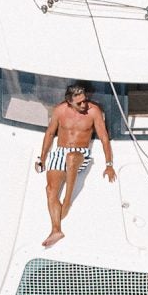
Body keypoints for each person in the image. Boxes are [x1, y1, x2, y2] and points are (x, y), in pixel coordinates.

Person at [36, 84, 116, 247]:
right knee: (50, 190)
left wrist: (109, 164)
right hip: (60, 151)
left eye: (84, 100)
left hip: (80, 153)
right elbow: (50, 133)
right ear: (69, 102)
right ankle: (56, 229)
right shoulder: (60, 111)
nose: (84, 105)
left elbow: (104, 138)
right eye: (79, 103)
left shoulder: (94, 111)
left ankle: (67, 200)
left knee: (72, 157)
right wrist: (42, 158)